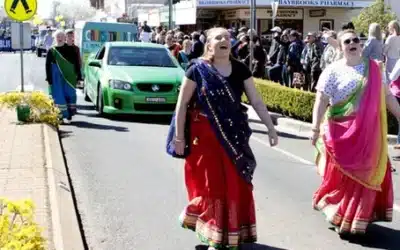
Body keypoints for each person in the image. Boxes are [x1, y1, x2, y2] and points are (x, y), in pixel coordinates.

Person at [174, 27, 278, 249]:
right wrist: (179, 137)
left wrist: (270, 127)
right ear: (209, 44)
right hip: (204, 138)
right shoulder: (197, 69)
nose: (224, 40)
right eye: (218, 37)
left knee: (236, 182)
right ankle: (213, 234)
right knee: (212, 186)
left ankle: (230, 232)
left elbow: (257, 102)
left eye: (227, 38)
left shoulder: (240, 69)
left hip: (234, 137)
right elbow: (182, 104)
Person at [311, 29, 400, 237]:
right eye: (347, 41)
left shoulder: (375, 68)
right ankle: (339, 210)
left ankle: (359, 216)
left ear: (361, 45)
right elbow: (321, 101)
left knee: (368, 171)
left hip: (369, 135)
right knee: (343, 177)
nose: (352, 43)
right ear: (340, 47)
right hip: (340, 133)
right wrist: (315, 128)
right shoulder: (332, 71)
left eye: (356, 40)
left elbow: (387, 96)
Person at [45, 30, 82, 124]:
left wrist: (78, 74)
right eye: (58, 36)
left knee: (70, 95)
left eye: (61, 36)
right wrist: (49, 78)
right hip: (56, 77)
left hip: (69, 77)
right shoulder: (51, 50)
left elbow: (76, 62)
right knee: (58, 96)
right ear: (55, 38)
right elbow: (47, 65)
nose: (60, 38)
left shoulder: (70, 49)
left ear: (64, 38)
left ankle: (69, 112)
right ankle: (60, 115)